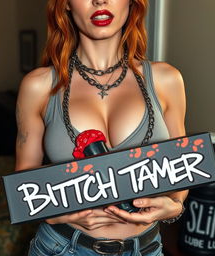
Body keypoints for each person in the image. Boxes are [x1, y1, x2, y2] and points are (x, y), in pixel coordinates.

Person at [15, 0, 188, 255]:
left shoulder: (167, 79)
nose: (100, 0)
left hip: (146, 248)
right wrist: (60, 215)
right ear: (65, 6)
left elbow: (181, 170)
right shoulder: (38, 86)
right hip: (63, 247)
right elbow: (24, 187)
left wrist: (175, 205)